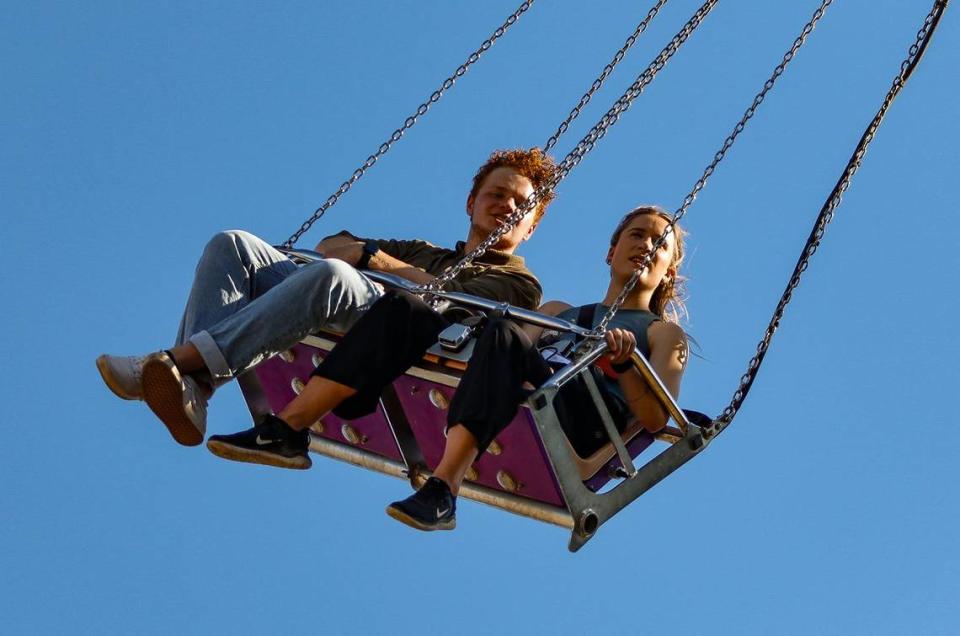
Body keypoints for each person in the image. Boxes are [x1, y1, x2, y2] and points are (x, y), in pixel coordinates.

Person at [206, 206, 689, 533]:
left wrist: (625, 365)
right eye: (637, 234)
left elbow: (655, 420)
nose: (646, 245)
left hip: (583, 421)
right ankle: (287, 430)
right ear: (611, 251)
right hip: (535, 390)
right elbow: (503, 353)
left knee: (502, 330)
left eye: (659, 243)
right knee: (411, 310)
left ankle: (443, 488)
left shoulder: (661, 334)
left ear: (668, 269)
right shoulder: (563, 311)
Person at [95, 148, 557, 448]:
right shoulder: (425, 250)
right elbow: (332, 245)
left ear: (531, 226)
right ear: (471, 202)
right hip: (341, 305)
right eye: (496, 195)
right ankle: (195, 389)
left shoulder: (520, 283)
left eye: (521, 206)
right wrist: (381, 261)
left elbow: (446, 300)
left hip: (402, 338)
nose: (506, 208)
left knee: (333, 276)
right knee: (231, 243)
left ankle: (172, 361)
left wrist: (375, 260)